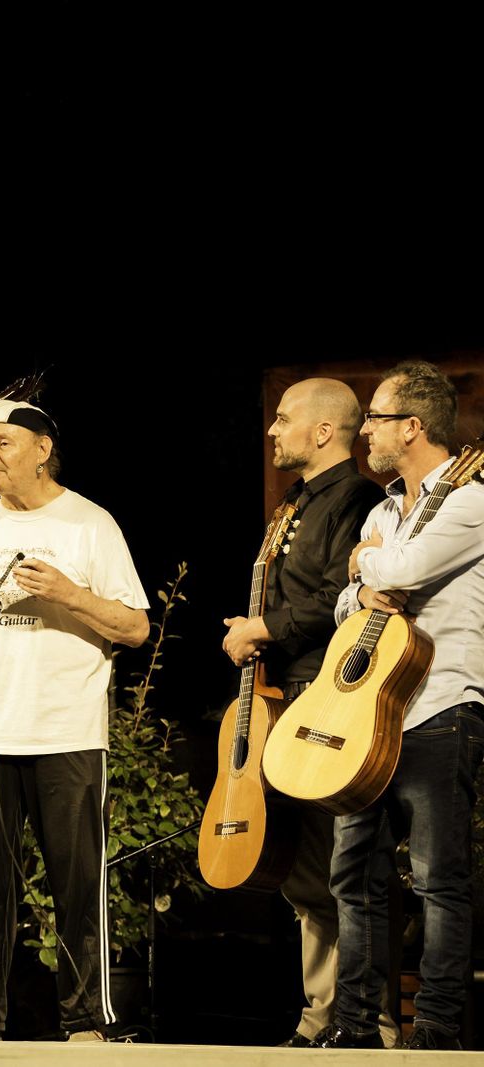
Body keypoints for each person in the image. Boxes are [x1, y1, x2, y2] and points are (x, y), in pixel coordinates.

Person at [0, 400, 149, 1043]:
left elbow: (135, 626)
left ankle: (86, 1021)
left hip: (67, 732)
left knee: (77, 885)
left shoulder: (90, 524)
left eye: (3, 443)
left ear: (43, 448)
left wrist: (67, 593)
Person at [216, 380, 394, 1048]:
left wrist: (263, 626)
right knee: (303, 871)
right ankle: (322, 1013)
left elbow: (346, 596)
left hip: (336, 702)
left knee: (347, 865)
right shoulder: (294, 502)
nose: (272, 429)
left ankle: (369, 1017)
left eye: (284, 419)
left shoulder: (356, 499)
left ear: (324, 431)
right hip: (285, 702)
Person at [317, 361, 483, 1052]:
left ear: (413, 426)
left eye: (377, 419)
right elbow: (341, 609)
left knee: (439, 879)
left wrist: (366, 565)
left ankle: (437, 1030)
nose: (367, 432)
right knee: (353, 873)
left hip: (441, 705)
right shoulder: (385, 510)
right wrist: (360, 580)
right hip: (370, 718)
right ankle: (355, 1025)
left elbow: (402, 572)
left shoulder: (473, 501)